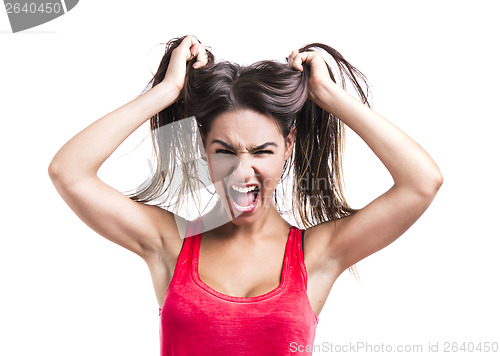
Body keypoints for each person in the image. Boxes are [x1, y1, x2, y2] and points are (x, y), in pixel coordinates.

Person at [48, 34, 443, 355]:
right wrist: (167, 91)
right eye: (224, 151)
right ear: (204, 146)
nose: (242, 171)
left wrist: (330, 95)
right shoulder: (169, 244)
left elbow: (421, 183)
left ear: (288, 144)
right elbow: (69, 172)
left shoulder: (318, 254)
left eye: (261, 151)